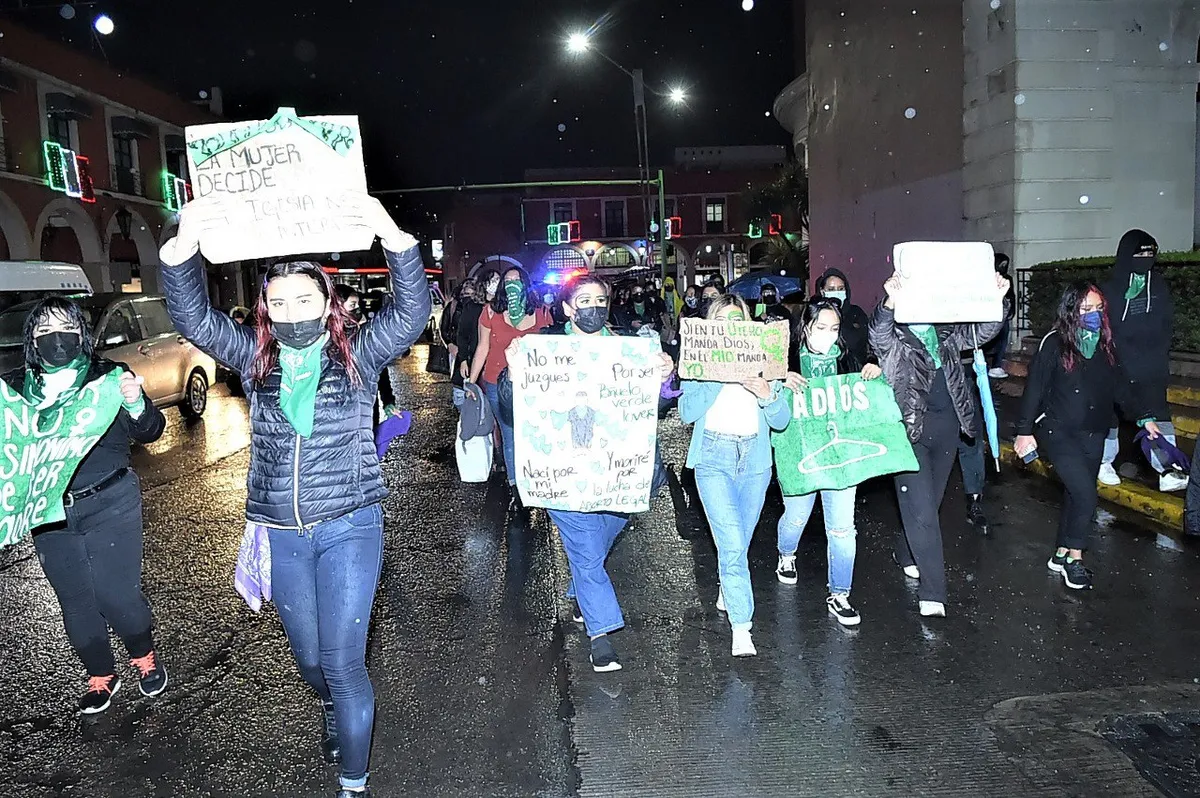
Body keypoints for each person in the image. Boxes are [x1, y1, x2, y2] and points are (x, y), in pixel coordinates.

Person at [159, 193, 429, 798]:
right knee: (310, 661)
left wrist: (391, 235)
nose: (290, 310)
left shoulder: (359, 353)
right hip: (280, 532)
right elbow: (195, 320)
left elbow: (412, 313)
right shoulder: (255, 360)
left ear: (326, 303)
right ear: (266, 309)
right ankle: (332, 707)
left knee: (342, 662)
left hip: (350, 525)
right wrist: (182, 248)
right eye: (278, 302)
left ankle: (353, 783)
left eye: (303, 299)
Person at [3, 297, 168, 714]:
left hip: (110, 501)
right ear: (32, 341)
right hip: (48, 513)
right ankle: (100, 674)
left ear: (81, 333)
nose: (55, 339)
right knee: (74, 600)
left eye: (64, 328)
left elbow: (150, 431)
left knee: (117, 595)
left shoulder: (108, 377)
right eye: (44, 332)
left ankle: (142, 653)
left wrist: (135, 402)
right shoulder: (15, 391)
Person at [534, 274, 674, 672]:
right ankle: (600, 634)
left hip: (621, 474)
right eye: (583, 299)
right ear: (566, 308)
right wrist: (513, 373)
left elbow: (659, 408)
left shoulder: (630, 351)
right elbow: (514, 401)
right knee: (586, 550)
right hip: (564, 472)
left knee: (597, 543)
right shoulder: (544, 349)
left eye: (600, 299)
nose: (593, 307)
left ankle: (581, 590)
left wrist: (665, 379)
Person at [869, 268, 1009, 617]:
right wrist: (890, 301)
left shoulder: (946, 333)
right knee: (923, 510)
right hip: (908, 433)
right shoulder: (896, 339)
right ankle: (933, 591)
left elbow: (985, 330)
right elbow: (877, 333)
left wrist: (996, 298)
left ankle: (905, 550)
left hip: (947, 429)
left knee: (927, 505)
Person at [1014, 282, 1161, 590]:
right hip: (1057, 430)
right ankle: (1075, 559)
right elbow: (1035, 389)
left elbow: (1122, 388)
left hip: (1094, 431)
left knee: (1075, 493)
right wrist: (1024, 431)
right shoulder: (1054, 343)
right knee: (1085, 493)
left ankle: (1061, 550)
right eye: (1085, 309)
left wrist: (1144, 417)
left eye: (1098, 309)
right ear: (1071, 310)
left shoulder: (1107, 344)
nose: (1093, 315)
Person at [680, 295, 790, 656]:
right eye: (722, 320)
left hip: (755, 461)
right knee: (730, 544)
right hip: (713, 457)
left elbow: (781, 421)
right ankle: (742, 627)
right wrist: (716, 375)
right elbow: (685, 411)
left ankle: (730, 588)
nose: (730, 326)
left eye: (737, 319)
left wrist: (767, 394)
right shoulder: (700, 362)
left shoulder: (765, 360)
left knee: (740, 541)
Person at [774, 299, 883, 626]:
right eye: (821, 328)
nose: (828, 335)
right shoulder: (786, 359)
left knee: (842, 528)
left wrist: (873, 370)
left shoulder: (849, 359)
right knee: (796, 518)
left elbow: (867, 399)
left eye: (834, 329)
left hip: (839, 457)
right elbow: (765, 397)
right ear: (805, 326)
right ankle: (786, 554)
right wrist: (780, 380)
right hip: (801, 453)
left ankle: (840, 594)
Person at [1099, 230, 1183, 492]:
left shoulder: (1157, 286)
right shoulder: (1111, 289)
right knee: (1110, 415)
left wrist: (1159, 361)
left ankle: (1168, 468)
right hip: (1118, 362)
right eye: (1140, 253)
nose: (1146, 259)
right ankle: (1104, 461)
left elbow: (1166, 325)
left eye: (1150, 253)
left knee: (1157, 415)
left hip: (1150, 366)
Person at [468, 266, 552, 510]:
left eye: (517, 280)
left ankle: (540, 481)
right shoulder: (490, 312)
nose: (513, 284)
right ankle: (517, 488)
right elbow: (482, 348)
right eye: (508, 281)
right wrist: (471, 383)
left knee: (537, 434)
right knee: (510, 435)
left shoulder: (541, 312)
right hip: (497, 383)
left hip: (535, 386)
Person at [334, 284, 401, 430]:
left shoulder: (363, 333)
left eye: (358, 304)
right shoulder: (326, 339)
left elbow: (379, 369)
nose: (357, 309)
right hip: (339, 412)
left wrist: (388, 401)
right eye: (352, 305)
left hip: (367, 404)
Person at [813, 268, 873, 367]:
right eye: (831, 289)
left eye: (841, 289)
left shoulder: (856, 313)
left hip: (855, 374)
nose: (836, 292)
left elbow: (869, 344)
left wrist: (872, 362)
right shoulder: (814, 314)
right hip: (824, 373)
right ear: (822, 291)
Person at [985, 252, 1015, 378]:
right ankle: (988, 364)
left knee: (1002, 339)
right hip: (992, 314)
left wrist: (1011, 310)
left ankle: (996, 365)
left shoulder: (1007, 278)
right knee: (989, 339)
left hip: (1004, 313)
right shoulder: (988, 278)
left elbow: (1011, 295)